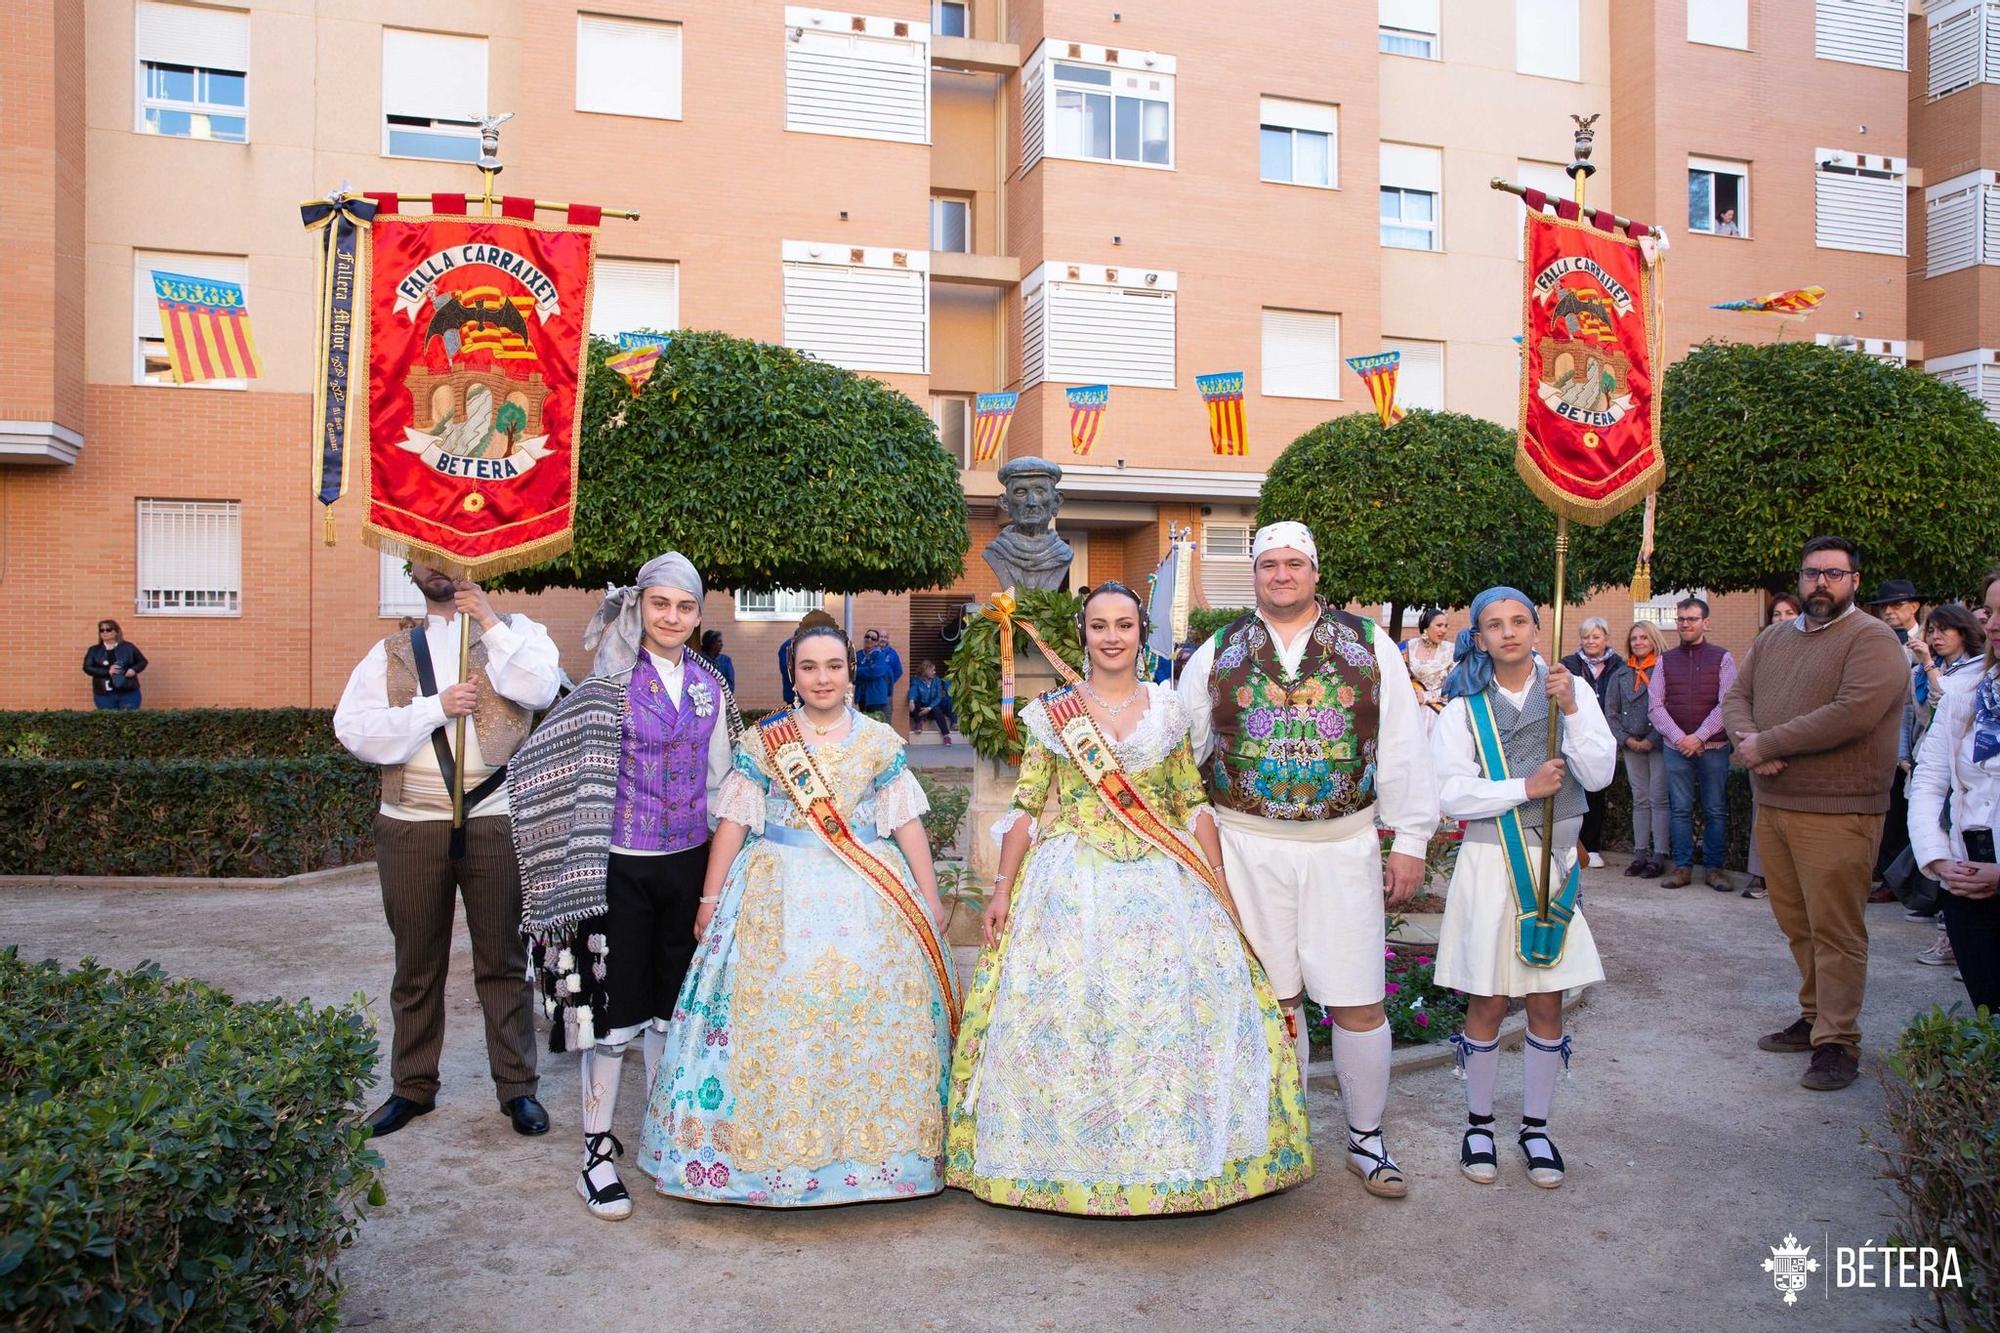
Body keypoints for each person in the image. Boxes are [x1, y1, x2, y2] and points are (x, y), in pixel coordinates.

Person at [946, 583, 1313, 1214]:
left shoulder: (1169, 711)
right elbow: (1029, 807)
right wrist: (1002, 889)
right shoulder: (1053, 714)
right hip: (1070, 884)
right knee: (1070, 1016)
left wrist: (1216, 878)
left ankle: (1175, 1161)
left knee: (1166, 1015)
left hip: (1163, 882)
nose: (1111, 636)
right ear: (1083, 635)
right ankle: (1063, 1163)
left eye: (1123, 624)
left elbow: (1190, 801)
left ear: (1140, 633)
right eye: (1098, 626)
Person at [637, 613, 954, 1206]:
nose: (822, 677)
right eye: (808, 667)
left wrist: (929, 895)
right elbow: (733, 824)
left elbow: (906, 824)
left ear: (850, 671)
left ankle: (881, 1163)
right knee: (778, 1011)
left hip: (868, 894)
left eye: (834, 666)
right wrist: (710, 899)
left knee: (868, 1013)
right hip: (775, 894)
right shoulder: (765, 742)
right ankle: (764, 1163)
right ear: (792, 673)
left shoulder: (881, 742)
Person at [1177, 521, 1439, 1201]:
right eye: (1269, 564)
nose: (1282, 574)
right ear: (1255, 574)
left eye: (1295, 563)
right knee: (1273, 997)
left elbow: (1405, 743)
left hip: (1342, 846)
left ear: (1316, 571)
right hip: (1244, 847)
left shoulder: (1368, 642)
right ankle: (1281, 1136)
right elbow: (1184, 750)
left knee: (1357, 998)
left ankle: (1366, 1137)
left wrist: (1409, 839)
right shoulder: (1219, 649)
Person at [508, 553, 738, 1220]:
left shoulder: (710, 684)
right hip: (617, 867)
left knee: (671, 1011)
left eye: (685, 606)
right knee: (612, 1018)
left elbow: (724, 781)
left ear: (699, 614)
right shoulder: (607, 682)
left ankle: (661, 1139)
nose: (672, 617)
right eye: (661, 603)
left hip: (689, 865)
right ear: (641, 605)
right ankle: (595, 1152)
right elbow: (548, 753)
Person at [333, 562, 561, 1138]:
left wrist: (486, 619)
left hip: (494, 820)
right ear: (412, 569)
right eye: (426, 555)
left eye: (451, 554)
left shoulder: (518, 632)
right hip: (411, 825)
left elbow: (538, 688)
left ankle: (517, 1089)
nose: (440, 566)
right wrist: (436, 708)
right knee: (416, 962)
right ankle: (412, 1087)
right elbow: (354, 731)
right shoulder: (389, 651)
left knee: (504, 962)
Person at [1432, 588, 1614, 1190]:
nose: (1507, 633)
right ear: (1479, 637)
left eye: (1518, 622)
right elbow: (1450, 793)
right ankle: (1478, 1124)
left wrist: (1577, 711)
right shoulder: (1464, 702)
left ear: (1538, 628)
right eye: (1493, 625)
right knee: (1487, 997)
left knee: (1546, 997)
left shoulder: (1571, 689)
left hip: (1555, 862)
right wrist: (1522, 788)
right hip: (1491, 860)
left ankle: (1536, 1127)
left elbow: (1600, 773)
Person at [1722, 536, 1910, 1091]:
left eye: (1834, 573)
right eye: (1811, 573)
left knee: (1836, 930)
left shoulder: (1873, 640)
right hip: (1775, 803)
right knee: (1796, 925)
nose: (1820, 583)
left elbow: (1853, 713)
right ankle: (1814, 1018)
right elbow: (1737, 697)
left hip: (1839, 809)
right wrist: (1750, 739)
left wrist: (1769, 744)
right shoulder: (1774, 637)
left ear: (1855, 580)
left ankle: (1839, 1043)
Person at [1908, 572, 2000, 1012]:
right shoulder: (1966, 691)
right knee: (1987, 1007)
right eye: (1991, 611)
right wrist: (1938, 857)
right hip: (1965, 876)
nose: (1993, 623)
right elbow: (1929, 780)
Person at [1649, 596, 1736, 891]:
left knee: (1715, 809)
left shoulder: (1723, 658)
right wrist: (1680, 739)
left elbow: (1727, 704)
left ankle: (1714, 869)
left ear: (1705, 623)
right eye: (1681, 619)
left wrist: (1699, 737)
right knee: (1680, 810)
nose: (1685, 624)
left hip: (1713, 748)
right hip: (1677, 749)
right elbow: (1655, 707)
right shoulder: (1665, 660)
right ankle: (1682, 868)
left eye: (1692, 619)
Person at [1741, 593, 1805, 900]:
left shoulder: (1814, 650)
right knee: (1762, 813)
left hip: (1802, 747)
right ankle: (1760, 874)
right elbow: (1739, 698)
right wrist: (1757, 746)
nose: (1781, 619)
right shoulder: (1761, 650)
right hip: (1760, 746)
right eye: (1776, 614)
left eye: (1788, 612)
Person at [1870, 578, 1928, 898]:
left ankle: (1913, 885)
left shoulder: (1928, 641)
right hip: (1882, 738)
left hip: (1917, 739)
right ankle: (1890, 880)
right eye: (1884, 606)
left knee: (1914, 814)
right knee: (1888, 811)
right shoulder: (1876, 640)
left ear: (1914, 607)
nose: (1888, 611)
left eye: (1896, 605)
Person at [1606, 622, 1668, 879]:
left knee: (1659, 798)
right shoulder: (1620, 675)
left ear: (1654, 639)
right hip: (1631, 744)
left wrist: (1652, 738)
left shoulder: (1664, 670)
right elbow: (1610, 711)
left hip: (1658, 743)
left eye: (1644, 637)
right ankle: (1640, 853)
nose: (1639, 642)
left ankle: (1659, 855)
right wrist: (1626, 739)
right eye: (1634, 639)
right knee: (1640, 799)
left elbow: (1669, 706)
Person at [1560, 616, 1623, 870]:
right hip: (1578, 731)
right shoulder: (1569, 665)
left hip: (1606, 731)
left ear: (1606, 638)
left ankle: (1592, 845)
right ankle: (1576, 844)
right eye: (1586, 637)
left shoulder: (1618, 666)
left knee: (1597, 792)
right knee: (1575, 789)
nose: (1590, 641)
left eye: (1595, 637)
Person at [83, 619, 147, 710]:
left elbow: (142, 661)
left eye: (108, 630)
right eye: (102, 630)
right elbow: (87, 667)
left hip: (128, 692)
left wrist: (133, 670)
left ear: (116, 632)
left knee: (129, 720)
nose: (104, 632)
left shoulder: (128, 647)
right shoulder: (94, 650)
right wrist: (107, 671)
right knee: (108, 720)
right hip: (104, 694)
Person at [1404, 608, 1454, 717]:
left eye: (1446, 626)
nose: (1444, 630)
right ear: (1426, 627)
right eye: (1439, 625)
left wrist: (1426, 697)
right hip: (1410, 711)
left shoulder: (1451, 650)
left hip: (1438, 713)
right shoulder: (1408, 647)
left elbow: (1456, 687)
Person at [855, 629, 904, 723]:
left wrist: (888, 682)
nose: (869, 639)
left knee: (880, 725)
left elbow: (876, 672)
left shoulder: (881, 655)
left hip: (877, 696)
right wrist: (867, 671)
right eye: (867, 636)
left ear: (876, 642)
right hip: (862, 696)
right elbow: (852, 673)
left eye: (873, 638)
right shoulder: (859, 655)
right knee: (865, 726)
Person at [908, 660, 956, 743]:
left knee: (936, 709)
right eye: (932, 670)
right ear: (926, 671)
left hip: (931, 708)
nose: (934, 672)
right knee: (916, 702)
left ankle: (946, 735)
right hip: (920, 709)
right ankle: (918, 723)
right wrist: (911, 700)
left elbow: (938, 696)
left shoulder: (936, 680)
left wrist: (929, 708)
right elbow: (914, 690)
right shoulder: (916, 680)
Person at [701, 629, 736, 695]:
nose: (722, 644)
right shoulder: (699, 659)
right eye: (719, 641)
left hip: (721, 698)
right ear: (711, 643)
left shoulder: (725, 660)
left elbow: (730, 684)